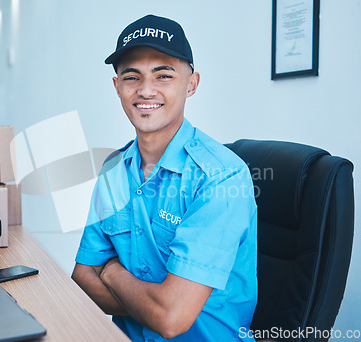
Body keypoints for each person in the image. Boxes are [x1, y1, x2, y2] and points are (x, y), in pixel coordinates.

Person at [72, 14, 258, 341]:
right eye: (132, 76)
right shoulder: (114, 170)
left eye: (163, 75)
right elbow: (83, 277)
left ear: (191, 83)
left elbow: (170, 319)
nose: (146, 90)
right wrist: (155, 306)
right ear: (117, 87)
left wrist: (112, 271)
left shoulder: (221, 177)